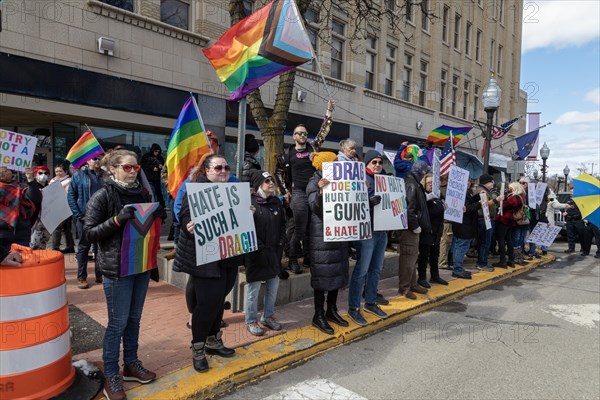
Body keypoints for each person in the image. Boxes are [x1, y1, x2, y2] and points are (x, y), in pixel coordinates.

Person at [83, 150, 158, 400]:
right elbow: (89, 233)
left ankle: (131, 364)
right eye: (127, 168)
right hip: (117, 270)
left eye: (136, 168)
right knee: (117, 323)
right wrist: (116, 220)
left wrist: (159, 215)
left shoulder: (143, 192)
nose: (133, 172)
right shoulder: (103, 194)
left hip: (141, 265)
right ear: (112, 169)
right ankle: (111, 374)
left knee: (134, 319)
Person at [174, 154, 241, 373]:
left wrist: (247, 213)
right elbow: (184, 216)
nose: (223, 170)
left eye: (226, 167)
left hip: (228, 256)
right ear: (207, 170)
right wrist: (188, 226)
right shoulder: (196, 189)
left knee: (219, 300)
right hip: (204, 258)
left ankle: (214, 341)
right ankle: (198, 348)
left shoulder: (233, 190)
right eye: (218, 167)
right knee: (207, 305)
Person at [306, 151, 349, 334]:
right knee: (322, 277)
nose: (338, 164)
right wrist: (322, 192)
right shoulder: (313, 183)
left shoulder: (340, 180)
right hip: (321, 238)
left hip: (338, 235)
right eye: (334, 162)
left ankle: (331, 310)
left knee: (336, 275)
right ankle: (319, 315)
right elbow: (316, 209)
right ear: (324, 165)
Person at [347, 150, 389, 327]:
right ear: (367, 164)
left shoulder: (385, 180)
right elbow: (351, 200)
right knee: (362, 270)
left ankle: (370, 302)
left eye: (380, 162)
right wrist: (367, 201)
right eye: (374, 162)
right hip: (367, 231)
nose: (378, 165)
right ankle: (353, 308)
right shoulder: (360, 178)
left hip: (382, 231)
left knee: (376, 269)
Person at [244, 170, 285, 336]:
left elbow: (283, 224)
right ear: (259, 184)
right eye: (267, 181)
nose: (271, 183)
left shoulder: (276, 202)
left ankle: (267, 316)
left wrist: (282, 241)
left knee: (273, 287)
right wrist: (259, 247)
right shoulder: (250, 203)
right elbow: (247, 228)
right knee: (253, 289)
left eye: (272, 180)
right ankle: (250, 320)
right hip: (256, 253)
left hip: (274, 252)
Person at [68, 155, 106, 289]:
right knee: (84, 248)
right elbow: (71, 196)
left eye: (99, 158)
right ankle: (82, 277)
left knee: (100, 247)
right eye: (94, 158)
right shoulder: (79, 175)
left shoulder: (106, 176)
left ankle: (100, 275)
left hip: (101, 217)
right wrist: (79, 215)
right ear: (88, 160)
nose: (97, 161)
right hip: (85, 218)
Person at [284, 124, 316, 274]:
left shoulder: (312, 149)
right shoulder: (289, 153)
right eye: (299, 133)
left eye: (305, 133)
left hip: (314, 192)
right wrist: (285, 191)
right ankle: (293, 259)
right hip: (298, 193)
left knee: (312, 227)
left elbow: (323, 131)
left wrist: (329, 112)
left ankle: (308, 258)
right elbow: (282, 173)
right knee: (300, 228)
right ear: (294, 136)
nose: (302, 135)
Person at [397, 160, 431, 299]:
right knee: (408, 258)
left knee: (412, 258)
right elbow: (408, 209)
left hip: (412, 227)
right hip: (409, 229)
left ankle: (412, 284)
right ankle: (404, 288)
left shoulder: (413, 183)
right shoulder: (411, 184)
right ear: (421, 172)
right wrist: (415, 226)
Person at [417, 173, 448, 287]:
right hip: (427, 230)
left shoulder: (439, 196)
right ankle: (421, 277)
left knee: (435, 255)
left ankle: (435, 276)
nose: (430, 185)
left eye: (432, 183)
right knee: (424, 256)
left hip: (437, 230)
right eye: (428, 183)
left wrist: (444, 205)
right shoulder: (423, 196)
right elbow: (426, 212)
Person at [0, 166, 41, 248]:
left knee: (23, 260)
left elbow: (36, 198)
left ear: (12, 173)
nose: (3, 171)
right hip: (1, 235)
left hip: (21, 235)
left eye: (6, 169)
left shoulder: (21, 187)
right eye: (1, 169)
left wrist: (31, 179)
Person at [450, 185, 481, 279]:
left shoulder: (459, 192)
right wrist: (479, 203)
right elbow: (467, 208)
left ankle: (457, 268)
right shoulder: (462, 194)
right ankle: (457, 269)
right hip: (464, 226)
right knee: (460, 248)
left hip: (460, 224)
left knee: (457, 247)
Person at [493, 182, 524, 269]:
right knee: (508, 239)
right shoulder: (520, 197)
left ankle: (503, 261)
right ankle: (511, 260)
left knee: (501, 239)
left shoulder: (513, 198)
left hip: (504, 219)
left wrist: (501, 200)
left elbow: (504, 205)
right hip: (510, 220)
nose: (508, 189)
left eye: (510, 187)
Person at [49, 162, 76, 253]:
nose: (58, 173)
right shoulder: (53, 181)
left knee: (57, 228)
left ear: (65, 171)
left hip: (64, 206)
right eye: (56, 171)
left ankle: (55, 247)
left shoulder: (69, 181)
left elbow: (68, 194)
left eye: (60, 171)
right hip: (56, 207)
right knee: (66, 228)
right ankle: (70, 246)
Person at [475, 174, 498, 271]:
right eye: (491, 182)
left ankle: (482, 261)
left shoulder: (484, 190)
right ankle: (482, 263)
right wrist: (497, 200)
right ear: (486, 182)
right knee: (485, 241)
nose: (492, 184)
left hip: (486, 218)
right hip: (484, 219)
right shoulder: (482, 191)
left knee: (484, 241)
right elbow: (484, 205)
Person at [30, 166, 51, 250]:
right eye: (40, 173)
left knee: (43, 243)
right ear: (35, 175)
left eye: (45, 173)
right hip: (36, 220)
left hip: (48, 220)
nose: (43, 175)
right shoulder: (32, 188)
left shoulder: (51, 188)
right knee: (34, 244)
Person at [563, 187, 582, 253]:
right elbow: (563, 206)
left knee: (580, 234)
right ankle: (571, 248)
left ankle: (583, 248)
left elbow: (582, 209)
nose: (571, 193)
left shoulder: (579, 199)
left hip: (577, 219)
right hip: (569, 219)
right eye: (571, 191)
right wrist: (563, 212)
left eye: (573, 191)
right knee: (570, 235)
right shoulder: (567, 199)